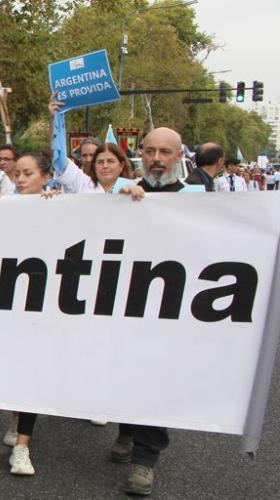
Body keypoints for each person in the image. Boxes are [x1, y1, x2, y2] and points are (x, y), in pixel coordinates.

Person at [116, 127, 192, 496]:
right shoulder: (122, 194)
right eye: (150, 151)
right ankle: (126, 429)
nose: (157, 159)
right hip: (123, 303)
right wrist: (119, 202)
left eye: (165, 152)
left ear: (179, 157)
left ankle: (145, 458)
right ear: (141, 154)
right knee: (124, 370)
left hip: (169, 307)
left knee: (155, 377)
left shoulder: (197, 200)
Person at [0, 152, 57, 475]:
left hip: (43, 303)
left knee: (32, 370)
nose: (22, 179)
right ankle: (15, 417)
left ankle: (22, 447)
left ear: (46, 176)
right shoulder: (5, 205)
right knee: (12, 368)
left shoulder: (61, 206)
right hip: (8, 300)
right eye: (18, 174)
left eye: (29, 173)